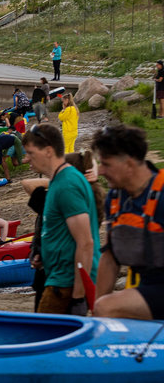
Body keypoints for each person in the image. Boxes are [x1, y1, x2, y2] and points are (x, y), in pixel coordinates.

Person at [21, 123, 99, 315]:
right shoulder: (58, 181)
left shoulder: (67, 185)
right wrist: (44, 256)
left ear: (48, 151)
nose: (26, 159)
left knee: (43, 340)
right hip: (57, 277)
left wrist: (78, 297)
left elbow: (86, 243)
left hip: (66, 285)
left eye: (30, 153)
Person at [92, 125, 164, 320]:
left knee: (109, 307)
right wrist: (97, 312)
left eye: (106, 164)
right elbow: (110, 258)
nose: (101, 171)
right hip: (147, 286)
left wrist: (104, 307)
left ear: (130, 165)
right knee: (103, 308)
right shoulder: (115, 198)